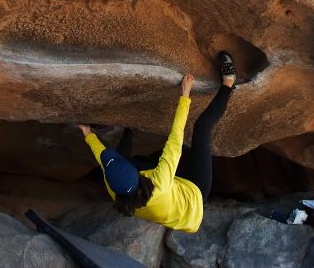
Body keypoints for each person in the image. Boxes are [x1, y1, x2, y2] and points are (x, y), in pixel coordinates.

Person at [78, 51, 238, 233]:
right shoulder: (159, 181)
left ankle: (129, 130)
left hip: (168, 196)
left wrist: (88, 134)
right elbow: (175, 138)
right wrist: (185, 95)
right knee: (201, 128)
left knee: (122, 160)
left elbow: (102, 158)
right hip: (195, 196)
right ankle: (229, 83)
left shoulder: (115, 189)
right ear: (138, 176)